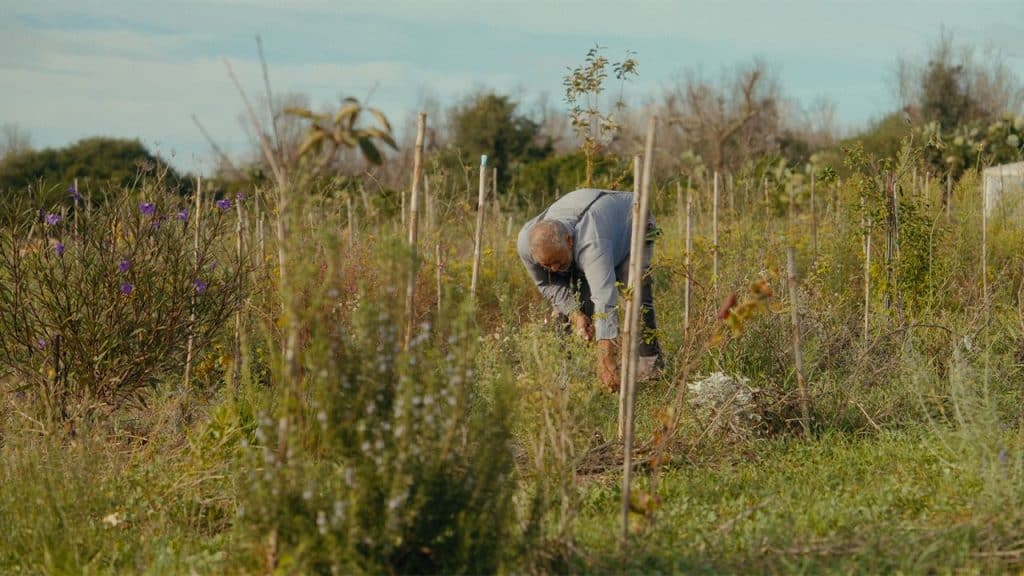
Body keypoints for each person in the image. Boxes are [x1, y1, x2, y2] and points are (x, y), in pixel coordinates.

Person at [517, 188, 661, 391]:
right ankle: (566, 379)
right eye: (547, 265)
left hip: (633, 221)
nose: (554, 269)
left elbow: (604, 299)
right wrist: (576, 314)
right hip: (596, 224)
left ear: (569, 240)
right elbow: (548, 284)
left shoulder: (591, 244)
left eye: (557, 261)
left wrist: (606, 358)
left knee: (634, 290)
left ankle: (650, 368)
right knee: (566, 309)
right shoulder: (526, 244)